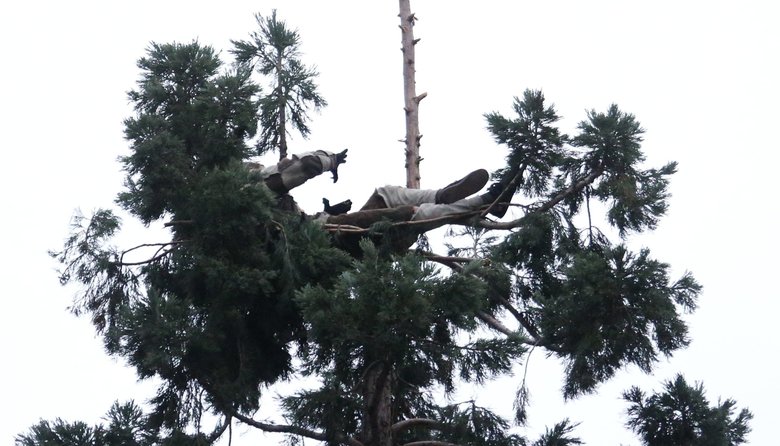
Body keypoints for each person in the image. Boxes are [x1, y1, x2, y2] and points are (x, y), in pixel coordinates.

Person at [246, 149, 510, 229]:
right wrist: (331, 160)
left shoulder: (267, 200)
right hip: (327, 236)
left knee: (386, 194)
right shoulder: (263, 189)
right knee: (405, 214)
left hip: (324, 225)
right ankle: (485, 201)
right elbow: (307, 166)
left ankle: (442, 195)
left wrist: (328, 210)